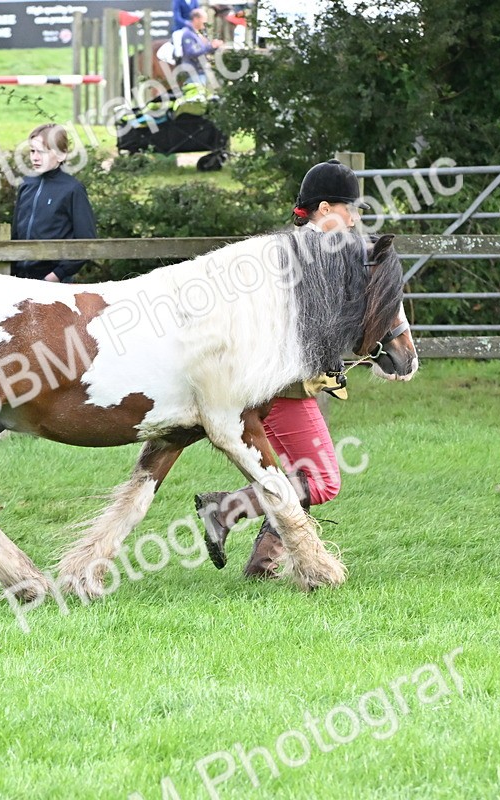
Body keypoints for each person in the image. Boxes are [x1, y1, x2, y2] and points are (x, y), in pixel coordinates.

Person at [196, 159, 364, 578]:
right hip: (283, 389)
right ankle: (225, 508)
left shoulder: (289, 250)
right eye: (349, 209)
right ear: (324, 210)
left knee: (292, 476)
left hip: (270, 384)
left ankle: (262, 564)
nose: (355, 219)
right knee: (321, 480)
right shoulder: (309, 257)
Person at [11, 124, 97, 283]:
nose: (35, 157)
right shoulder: (26, 185)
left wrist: (56, 275)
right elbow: (15, 234)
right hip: (20, 279)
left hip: (55, 282)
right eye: (32, 151)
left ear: (61, 155)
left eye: (41, 152)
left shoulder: (72, 189)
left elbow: (87, 241)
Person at [177, 8, 223, 87]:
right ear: (196, 19)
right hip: (193, 73)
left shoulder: (197, 34)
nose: (205, 22)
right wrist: (210, 47)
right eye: (203, 19)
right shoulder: (188, 34)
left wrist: (214, 47)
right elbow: (191, 52)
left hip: (199, 72)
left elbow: (203, 50)